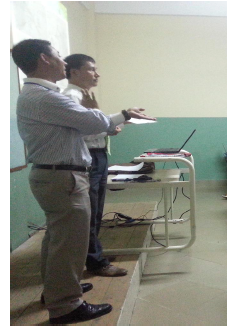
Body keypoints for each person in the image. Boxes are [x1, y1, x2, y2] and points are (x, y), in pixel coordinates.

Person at [12, 39, 155, 325]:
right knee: (68, 243)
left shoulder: (39, 94)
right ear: (44, 59)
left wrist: (109, 120)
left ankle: (57, 291)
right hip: (62, 177)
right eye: (59, 56)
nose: (64, 62)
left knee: (58, 240)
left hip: (56, 174)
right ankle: (66, 306)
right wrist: (125, 114)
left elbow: (87, 123)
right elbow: (90, 122)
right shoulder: (46, 96)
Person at [63, 54, 127, 277]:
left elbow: (91, 124)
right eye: (91, 69)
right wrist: (110, 126)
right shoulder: (71, 96)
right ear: (74, 72)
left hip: (97, 155)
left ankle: (93, 258)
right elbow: (82, 130)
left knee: (96, 211)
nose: (96, 74)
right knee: (89, 214)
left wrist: (111, 125)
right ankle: (95, 261)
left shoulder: (84, 94)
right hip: (88, 156)